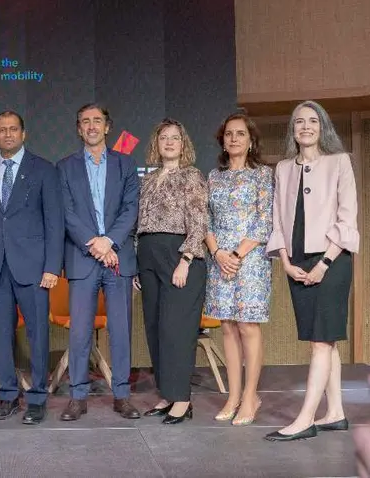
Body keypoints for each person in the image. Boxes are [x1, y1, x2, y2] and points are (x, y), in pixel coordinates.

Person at [264, 100, 359, 442]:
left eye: (313, 121)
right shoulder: (284, 168)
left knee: (322, 340)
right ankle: (335, 413)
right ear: (292, 129)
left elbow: (347, 219)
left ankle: (305, 419)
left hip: (331, 261)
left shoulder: (339, 162)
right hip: (297, 262)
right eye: (299, 121)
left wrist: (325, 263)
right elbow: (277, 218)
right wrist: (286, 262)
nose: (306, 126)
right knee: (323, 341)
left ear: (323, 128)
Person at [0, 111, 64, 425]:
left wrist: (53, 266)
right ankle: (7, 395)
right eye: (2, 130)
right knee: (2, 336)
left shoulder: (43, 170)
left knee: (37, 334)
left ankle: (37, 398)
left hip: (34, 268)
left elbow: (55, 222)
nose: (8, 134)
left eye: (13, 129)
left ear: (23, 134)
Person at [57, 104, 141, 422]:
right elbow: (66, 212)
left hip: (118, 257)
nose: (92, 126)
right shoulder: (64, 167)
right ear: (78, 129)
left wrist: (110, 242)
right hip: (82, 259)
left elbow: (131, 208)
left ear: (108, 127)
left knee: (120, 331)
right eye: (85, 122)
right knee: (79, 332)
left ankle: (121, 395)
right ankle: (78, 396)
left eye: (98, 121)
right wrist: (95, 244)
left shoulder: (126, 164)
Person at [137, 118, 208, 425]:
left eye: (175, 138)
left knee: (175, 331)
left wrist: (187, 258)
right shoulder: (148, 179)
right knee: (154, 329)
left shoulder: (191, 176)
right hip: (149, 255)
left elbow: (199, 220)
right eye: (163, 137)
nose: (168, 142)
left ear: (183, 144)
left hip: (179, 256)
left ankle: (182, 399)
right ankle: (167, 394)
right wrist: (138, 264)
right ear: (156, 143)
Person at [204, 113, 272, 426]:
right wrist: (218, 252)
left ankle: (250, 396)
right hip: (219, 260)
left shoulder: (263, 175)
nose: (234, 138)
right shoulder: (213, 177)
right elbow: (205, 220)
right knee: (228, 327)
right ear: (223, 140)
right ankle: (233, 395)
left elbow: (265, 220)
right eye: (229, 134)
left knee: (247, 326)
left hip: (251, 260)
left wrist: (236, 253)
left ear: (250, 140)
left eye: (240, 134)